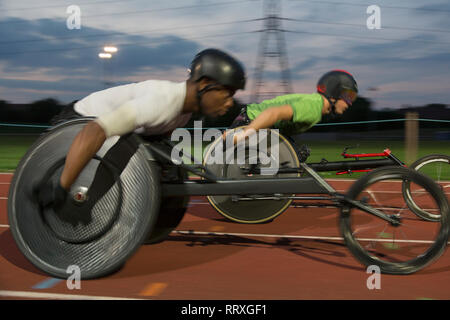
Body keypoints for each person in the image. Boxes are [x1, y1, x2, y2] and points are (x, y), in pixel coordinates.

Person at [35, 48, 246, 209]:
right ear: (204, 83)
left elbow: (157, 145)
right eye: (227, 94)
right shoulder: (160, 102)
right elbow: (94, 130)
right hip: (80, 120)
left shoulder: (185, 112)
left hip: (105, 130)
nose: (229, 103)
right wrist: (62, 188)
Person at [227, 70, 358, 147]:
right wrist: (244, 134)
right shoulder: (314, 106)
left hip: (256, 123)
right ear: (335, 92)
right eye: (348, 96)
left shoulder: (315, 105)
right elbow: (274, 113)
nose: (349, 103)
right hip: (250, 122)